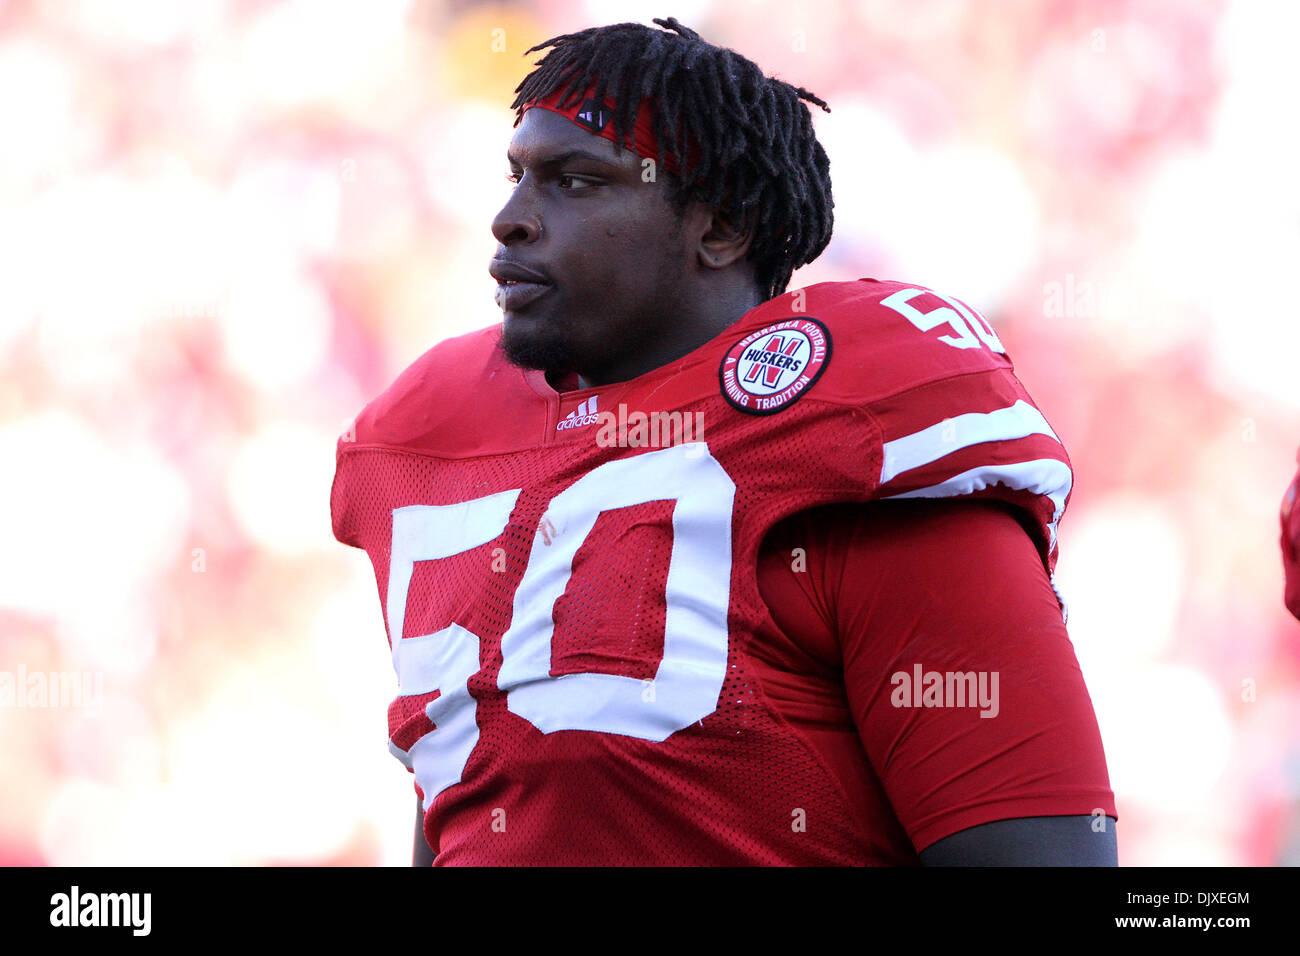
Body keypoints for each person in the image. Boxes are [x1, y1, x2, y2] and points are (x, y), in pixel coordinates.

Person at [330, 17, 1118, 866]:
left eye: (575, 181)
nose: (510, 218)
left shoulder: (858, 446)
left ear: (720, 230)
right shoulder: (448, 448)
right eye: (518, 174)